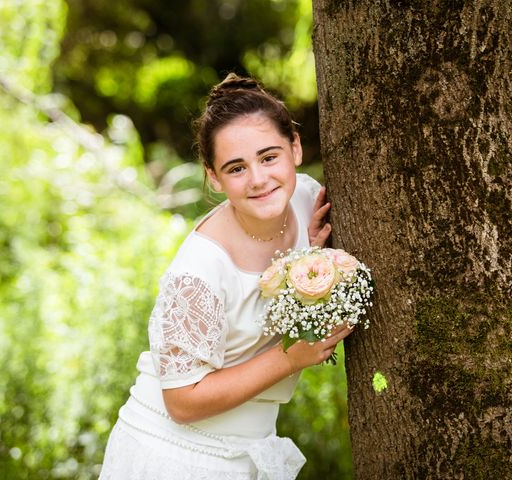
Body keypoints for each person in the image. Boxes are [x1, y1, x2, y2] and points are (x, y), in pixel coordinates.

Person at [98, 73, 354, 480]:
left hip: (247, 450)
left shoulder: (306, 199)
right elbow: (181, 401)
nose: (258, 178)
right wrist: (293, 356)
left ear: (295, 147)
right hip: (174, 457)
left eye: (269, 157)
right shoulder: (198, 272)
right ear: (214, 177)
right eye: (236, 168)